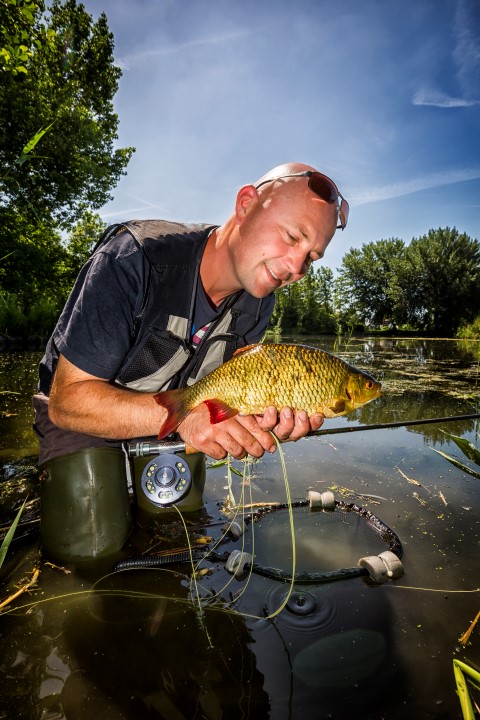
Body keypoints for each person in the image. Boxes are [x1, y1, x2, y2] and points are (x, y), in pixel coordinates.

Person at [33, 161, 349, 562]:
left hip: (180, 411)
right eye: (291, 236)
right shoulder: (134, 258)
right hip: (83, 415)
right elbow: (67, 403)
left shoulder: (260, 302)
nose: (294, 268)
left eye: (311, 258)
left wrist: (262, 421)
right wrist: (185, 419)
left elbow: (233, 396)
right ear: (246, 203)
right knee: (91, 547)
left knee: (177, 536)